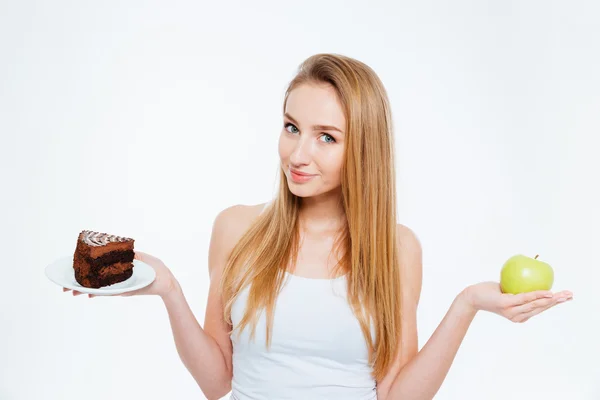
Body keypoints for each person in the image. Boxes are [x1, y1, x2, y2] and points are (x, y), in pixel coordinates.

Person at [64, 53, 574, 400]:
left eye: (325, 137)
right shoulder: (237, 229)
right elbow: (219, 383)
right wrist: (170, 292)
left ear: (363, 149)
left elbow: (396, 393)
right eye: (292, 128)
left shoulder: (396, 248)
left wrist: (467, 304)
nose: (298, 154)